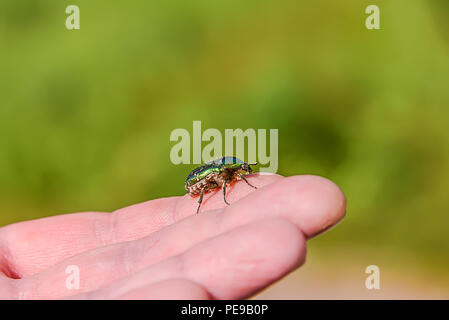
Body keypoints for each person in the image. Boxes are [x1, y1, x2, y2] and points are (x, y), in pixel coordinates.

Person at [0, 174, 346, 299]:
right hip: (198, 182)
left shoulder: (230, 172)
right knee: (213, 193)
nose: (241, 176)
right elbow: (212, 183)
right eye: (238, 173)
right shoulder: (219, 177)